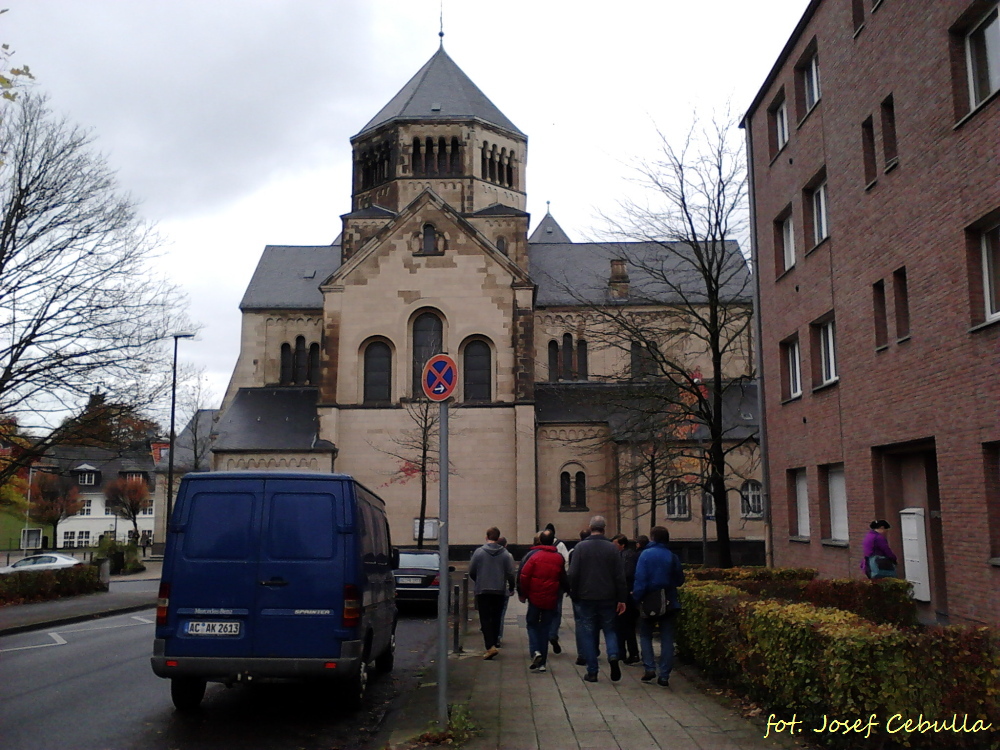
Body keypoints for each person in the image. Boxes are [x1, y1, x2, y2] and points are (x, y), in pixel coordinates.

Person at [567, 515, 627, 683]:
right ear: (604, 528)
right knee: (610, 630)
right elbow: (619, 576)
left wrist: (574, 592)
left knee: (588, 632)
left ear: (590, 527)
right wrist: (622, 599)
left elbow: (572, 573)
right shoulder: (612, 549)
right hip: (608, 597)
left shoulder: (580, 548)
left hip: (586, 597)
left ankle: (592, 671)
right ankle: (613, 656)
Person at [632, 525, 685, 687]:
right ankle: (664, 674)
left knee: (645, 635)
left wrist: (636, 598)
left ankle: (649, 667)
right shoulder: (671, 556)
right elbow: (680, 580)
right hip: (669, 601)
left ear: (652, 537)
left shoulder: (645, 555)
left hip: (649, 601)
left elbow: (640, 580)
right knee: (667, 639)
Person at [518, 528, 568, 673]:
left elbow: (524, 576)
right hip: (551, 598)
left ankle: (535, 652)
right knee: (545, 628)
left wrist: (524, 593)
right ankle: (542, 663)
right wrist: (567, 591)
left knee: (532, 625)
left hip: (535, 597)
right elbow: (563, 577)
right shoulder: (558, 558)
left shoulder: (534, 557)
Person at [469, 526, 515, 660]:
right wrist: (511, 587)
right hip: (499, 590)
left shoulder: (479, 552)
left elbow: (472, 570)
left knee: (485, 618)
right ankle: (494, 642)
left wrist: (479, 581)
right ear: (498, 537)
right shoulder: (505, 554)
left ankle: (490, 646)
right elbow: (510, 573)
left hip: (483, 590)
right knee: (496, 617)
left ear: (486, 537)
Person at [612, 533, 640, 664]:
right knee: (621, 625)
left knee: (626, 625)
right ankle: (622, 652)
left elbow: (626, 574)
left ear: (622, 545)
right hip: (623, 594)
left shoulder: (627, 556)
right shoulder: (622, 555)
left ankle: (631, 653)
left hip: (627, 595)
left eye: (615, 544)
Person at [544, 523, 570, 655]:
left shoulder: (540, 546)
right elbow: (566, 562)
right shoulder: (560, 545)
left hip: (543, 583)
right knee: (557, 609)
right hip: (557, 582)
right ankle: (553, 633)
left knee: (542, 610)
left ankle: (542, 639)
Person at [496, 536, 513, 646]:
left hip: (489, 587)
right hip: (503, 589)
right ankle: (498, 636)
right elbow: (511, 573)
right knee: (501, 613)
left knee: (490, 613)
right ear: (506, 545)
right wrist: (512, 587)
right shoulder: (508, 555)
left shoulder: (484, 553)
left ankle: (489, 635)